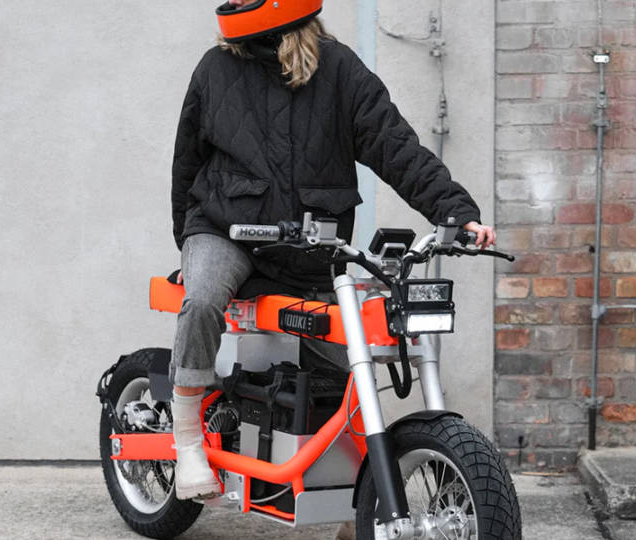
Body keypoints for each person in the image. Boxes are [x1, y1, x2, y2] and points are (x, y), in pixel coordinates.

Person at [169, 0, 496, 500]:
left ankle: (353, 497)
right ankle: (189, 439)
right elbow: (187, 164)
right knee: (204, 298)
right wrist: (188, 247)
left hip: (309, 246)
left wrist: (455, 212)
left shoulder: (339, 69)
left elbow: (395, 145)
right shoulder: (216, 68)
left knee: (346, 364)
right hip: (226, 229)